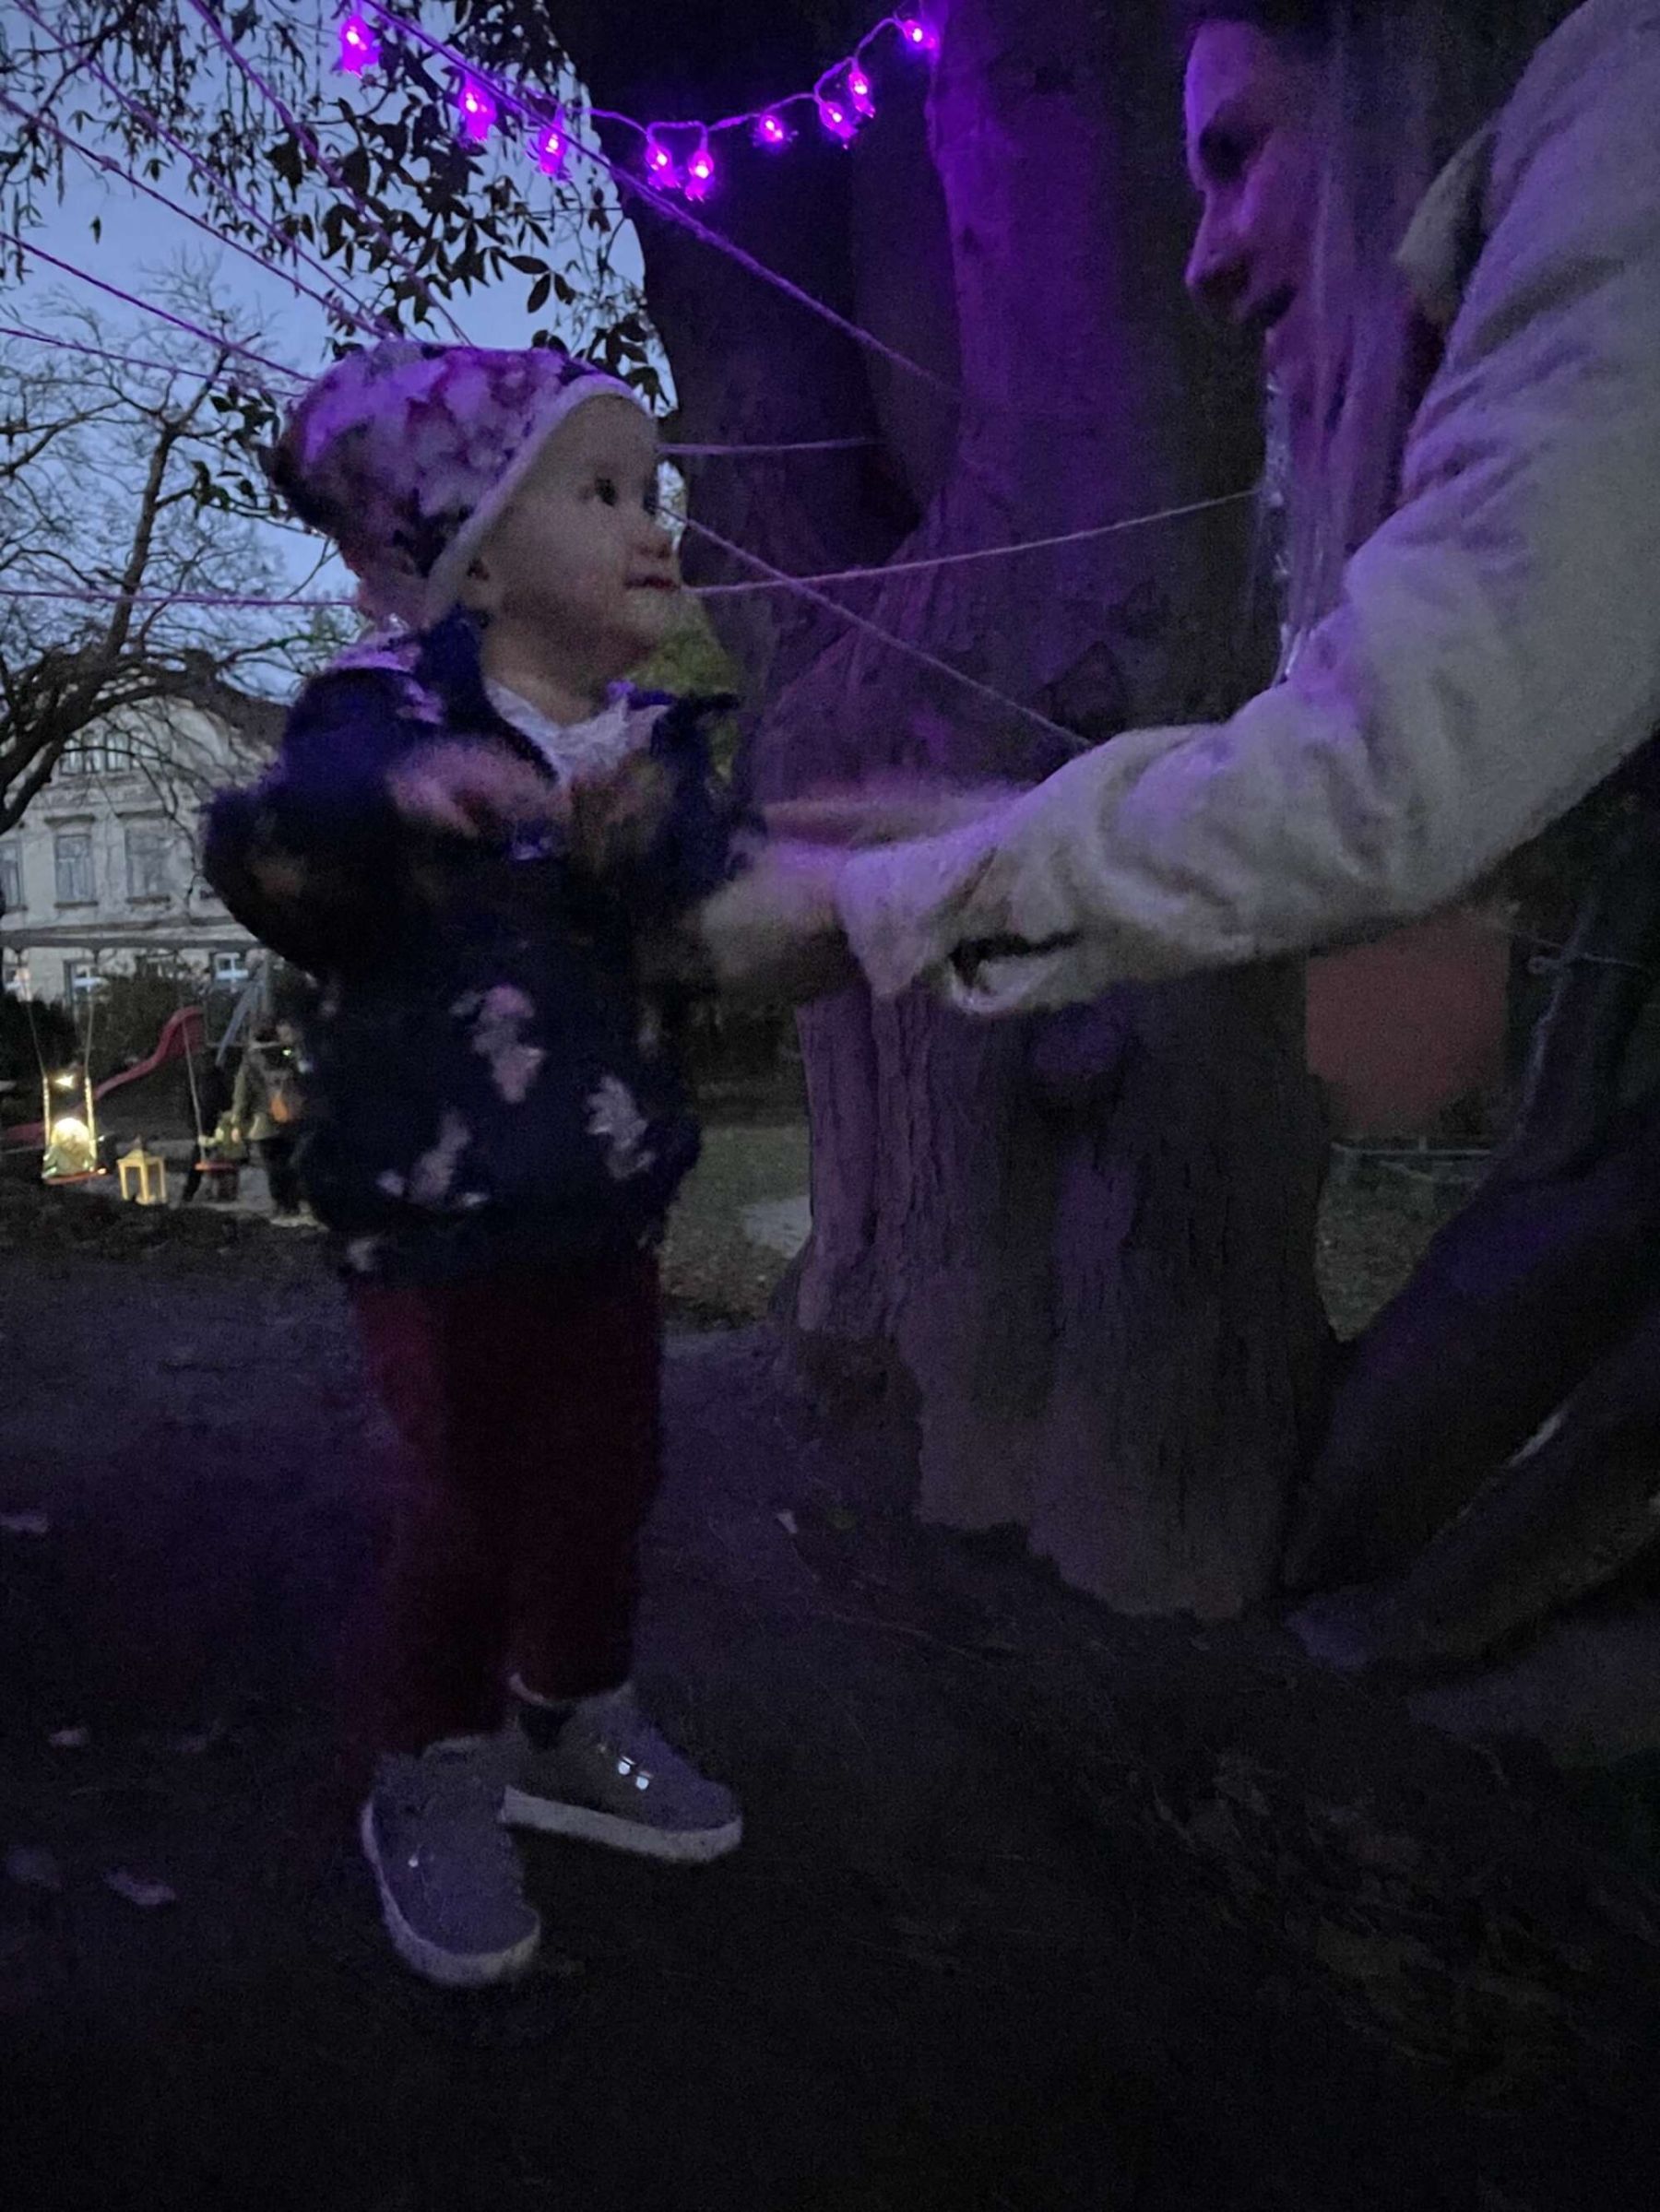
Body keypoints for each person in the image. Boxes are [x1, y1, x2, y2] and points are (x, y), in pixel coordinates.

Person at [787, 0, 1660, 1650]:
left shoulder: (1627, 120)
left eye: (1240, 152)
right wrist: (983, 841)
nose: (1202, 259)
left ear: (1402, 70)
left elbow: (1384, 774)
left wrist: (875, 898)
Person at [203, 339, 833, 1989]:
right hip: (432, 1211)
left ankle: (568, 1714)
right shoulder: (379, 710)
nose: (652, 525)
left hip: (602, 1197)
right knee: (463, 1499)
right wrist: (406, 794)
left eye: (654, 491)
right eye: (603, 490)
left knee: (607, 1477)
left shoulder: (649, 744)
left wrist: (734, 864)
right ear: (477, 559)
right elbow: (284, 830)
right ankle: (432, 1765)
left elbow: (708, 906)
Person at [231, 1025, 305, 1220]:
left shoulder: (250, 1064)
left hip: (264, 1124)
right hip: (291, 1121)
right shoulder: (287, 1057)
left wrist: (237, 1123)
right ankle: (293, 1203)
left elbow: (242, 1097)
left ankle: (280, 1204)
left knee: (273, 1166)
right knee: (289, 1162)